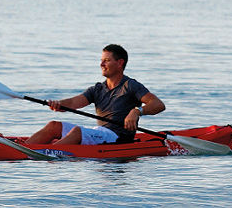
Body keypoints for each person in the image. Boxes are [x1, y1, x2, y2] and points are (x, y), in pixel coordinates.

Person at [23, 44, 164, 146]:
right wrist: (58, 104)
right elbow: (73, 103)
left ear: (120, 63)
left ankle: (46, 153)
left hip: (117, 138)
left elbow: (158, 105)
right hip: (99, 133)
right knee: (54, 125)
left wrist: (137, 111)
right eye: (101, 60)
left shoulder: (130, 85)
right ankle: (23, 149)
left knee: (78, 131)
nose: (101, 64)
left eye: (107, 60)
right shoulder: (97, 89)